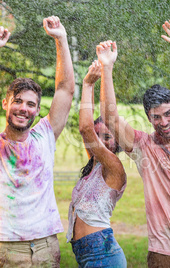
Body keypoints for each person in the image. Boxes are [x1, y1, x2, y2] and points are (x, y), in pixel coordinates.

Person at [98, 19, 170, 267]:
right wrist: (106, 68)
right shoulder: (143, 146)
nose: (163, 122)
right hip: (164, 256)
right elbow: (110, 118)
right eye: (156, 117)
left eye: (168, 114)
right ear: (148, 118)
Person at [0, 16, 74, 266]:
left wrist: (61, 38)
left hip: (45, 245)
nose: (23, 108)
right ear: (5, 105)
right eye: (17, 101)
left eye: (31, 104)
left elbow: (65, 89)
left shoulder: (45, 135)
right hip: (5, 246)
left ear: (38, 109)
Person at [66, 60, 127, 267]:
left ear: (118, 141)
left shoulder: (114, 166)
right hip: (85, 253)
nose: (100, 141)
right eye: (98, 135)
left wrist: (88, 85)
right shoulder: (94, 162)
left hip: (103, 254)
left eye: (107, 137)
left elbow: (86, 129)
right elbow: (86, 130)